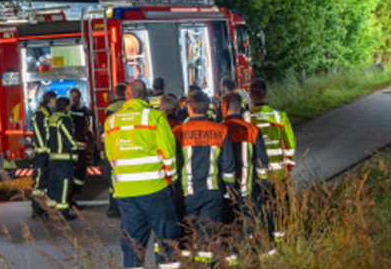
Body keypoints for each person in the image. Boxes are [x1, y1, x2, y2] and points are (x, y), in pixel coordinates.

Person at [104, 79, 181, 268]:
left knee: (132, 243)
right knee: (166, 240)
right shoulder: (155, 117)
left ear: (127, 96)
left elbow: (110, 156)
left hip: (125, 192)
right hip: (155, 188)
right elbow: (169, 154)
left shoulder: (111, 121)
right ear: (145, 95)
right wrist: (170, 179)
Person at [173, 90, 236, 263]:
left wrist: (173, 188)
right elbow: (228, 166)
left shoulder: (178, 131)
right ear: (208, 108)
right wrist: (229, 190)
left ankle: (188, 265)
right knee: (206, 237)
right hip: (212, 192)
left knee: (187, 236)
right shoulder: (221, 130)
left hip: (187, 193)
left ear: (188, 108)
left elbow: (175, 164)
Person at [248, 79, 296, 240]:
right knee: (280, 209)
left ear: (251, 96)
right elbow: (290, 145)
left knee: (259, 210)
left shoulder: (246, 119)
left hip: (255, 175)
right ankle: (282, 239)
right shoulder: (279, 116)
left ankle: (264, 241)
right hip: (278, 174)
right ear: (266, 94)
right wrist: (287, 168)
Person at [222, 92, 269, 227]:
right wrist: (263, 184)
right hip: (249, 187)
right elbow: (261, 160)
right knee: (254, 223)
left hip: (226, 190)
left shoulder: (219, 129)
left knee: (230, 228)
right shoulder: (252, 130)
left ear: (225, 107)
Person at [47, 96, 78, 221]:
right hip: (64, 158)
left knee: (53, 185)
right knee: (64, 185)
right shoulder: (64, 119)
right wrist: (76, 146)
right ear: (66, 106)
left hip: (53, 157)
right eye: (69, 105)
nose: (70, 108)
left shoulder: (52, 118)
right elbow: (68, 137)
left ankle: (51, 211)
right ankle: (63, 211)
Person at [103, 83, 127, 218]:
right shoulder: (129, 106)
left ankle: (114, 207)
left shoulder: (111, 108)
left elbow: (107, 132)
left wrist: (103, 149)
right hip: (130, 145)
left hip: (115, 147)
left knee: (113, 180)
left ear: (115, 94)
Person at [31, 91, 56, 217]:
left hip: (47, 153)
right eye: (54, 99)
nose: (55, 102)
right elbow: (40, 134)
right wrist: (44, 149)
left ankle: (44, 207)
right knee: (40, 182)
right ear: (50, 99)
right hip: (43, 154)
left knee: (46, 182)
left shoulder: (49, 113)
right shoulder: (40, 114)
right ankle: (37, 208)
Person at [68, 88, 93, 205]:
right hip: (70, 148)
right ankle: (70, 197)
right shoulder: (67, 111)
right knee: (70, 174)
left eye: (76, 97)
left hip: (81, 147)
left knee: (80, 174)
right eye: (72, 97)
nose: (74, 99)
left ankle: (74, 194)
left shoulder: (85, 111)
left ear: (79, 97)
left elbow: (89, 127)